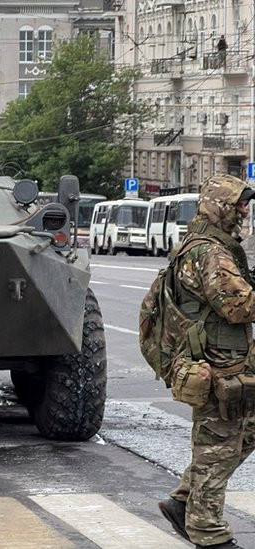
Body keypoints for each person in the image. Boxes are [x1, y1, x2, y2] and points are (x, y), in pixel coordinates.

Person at [158, 174, 255, 549]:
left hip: (227, 360)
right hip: (218, 366)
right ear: (220, 207)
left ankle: (184, 501)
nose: (245, 210)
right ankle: (208, 532)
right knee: (218, 446)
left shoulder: (207, 245)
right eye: (239, 203)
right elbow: (239, 306)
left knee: (240, 435)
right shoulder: (210, 252)